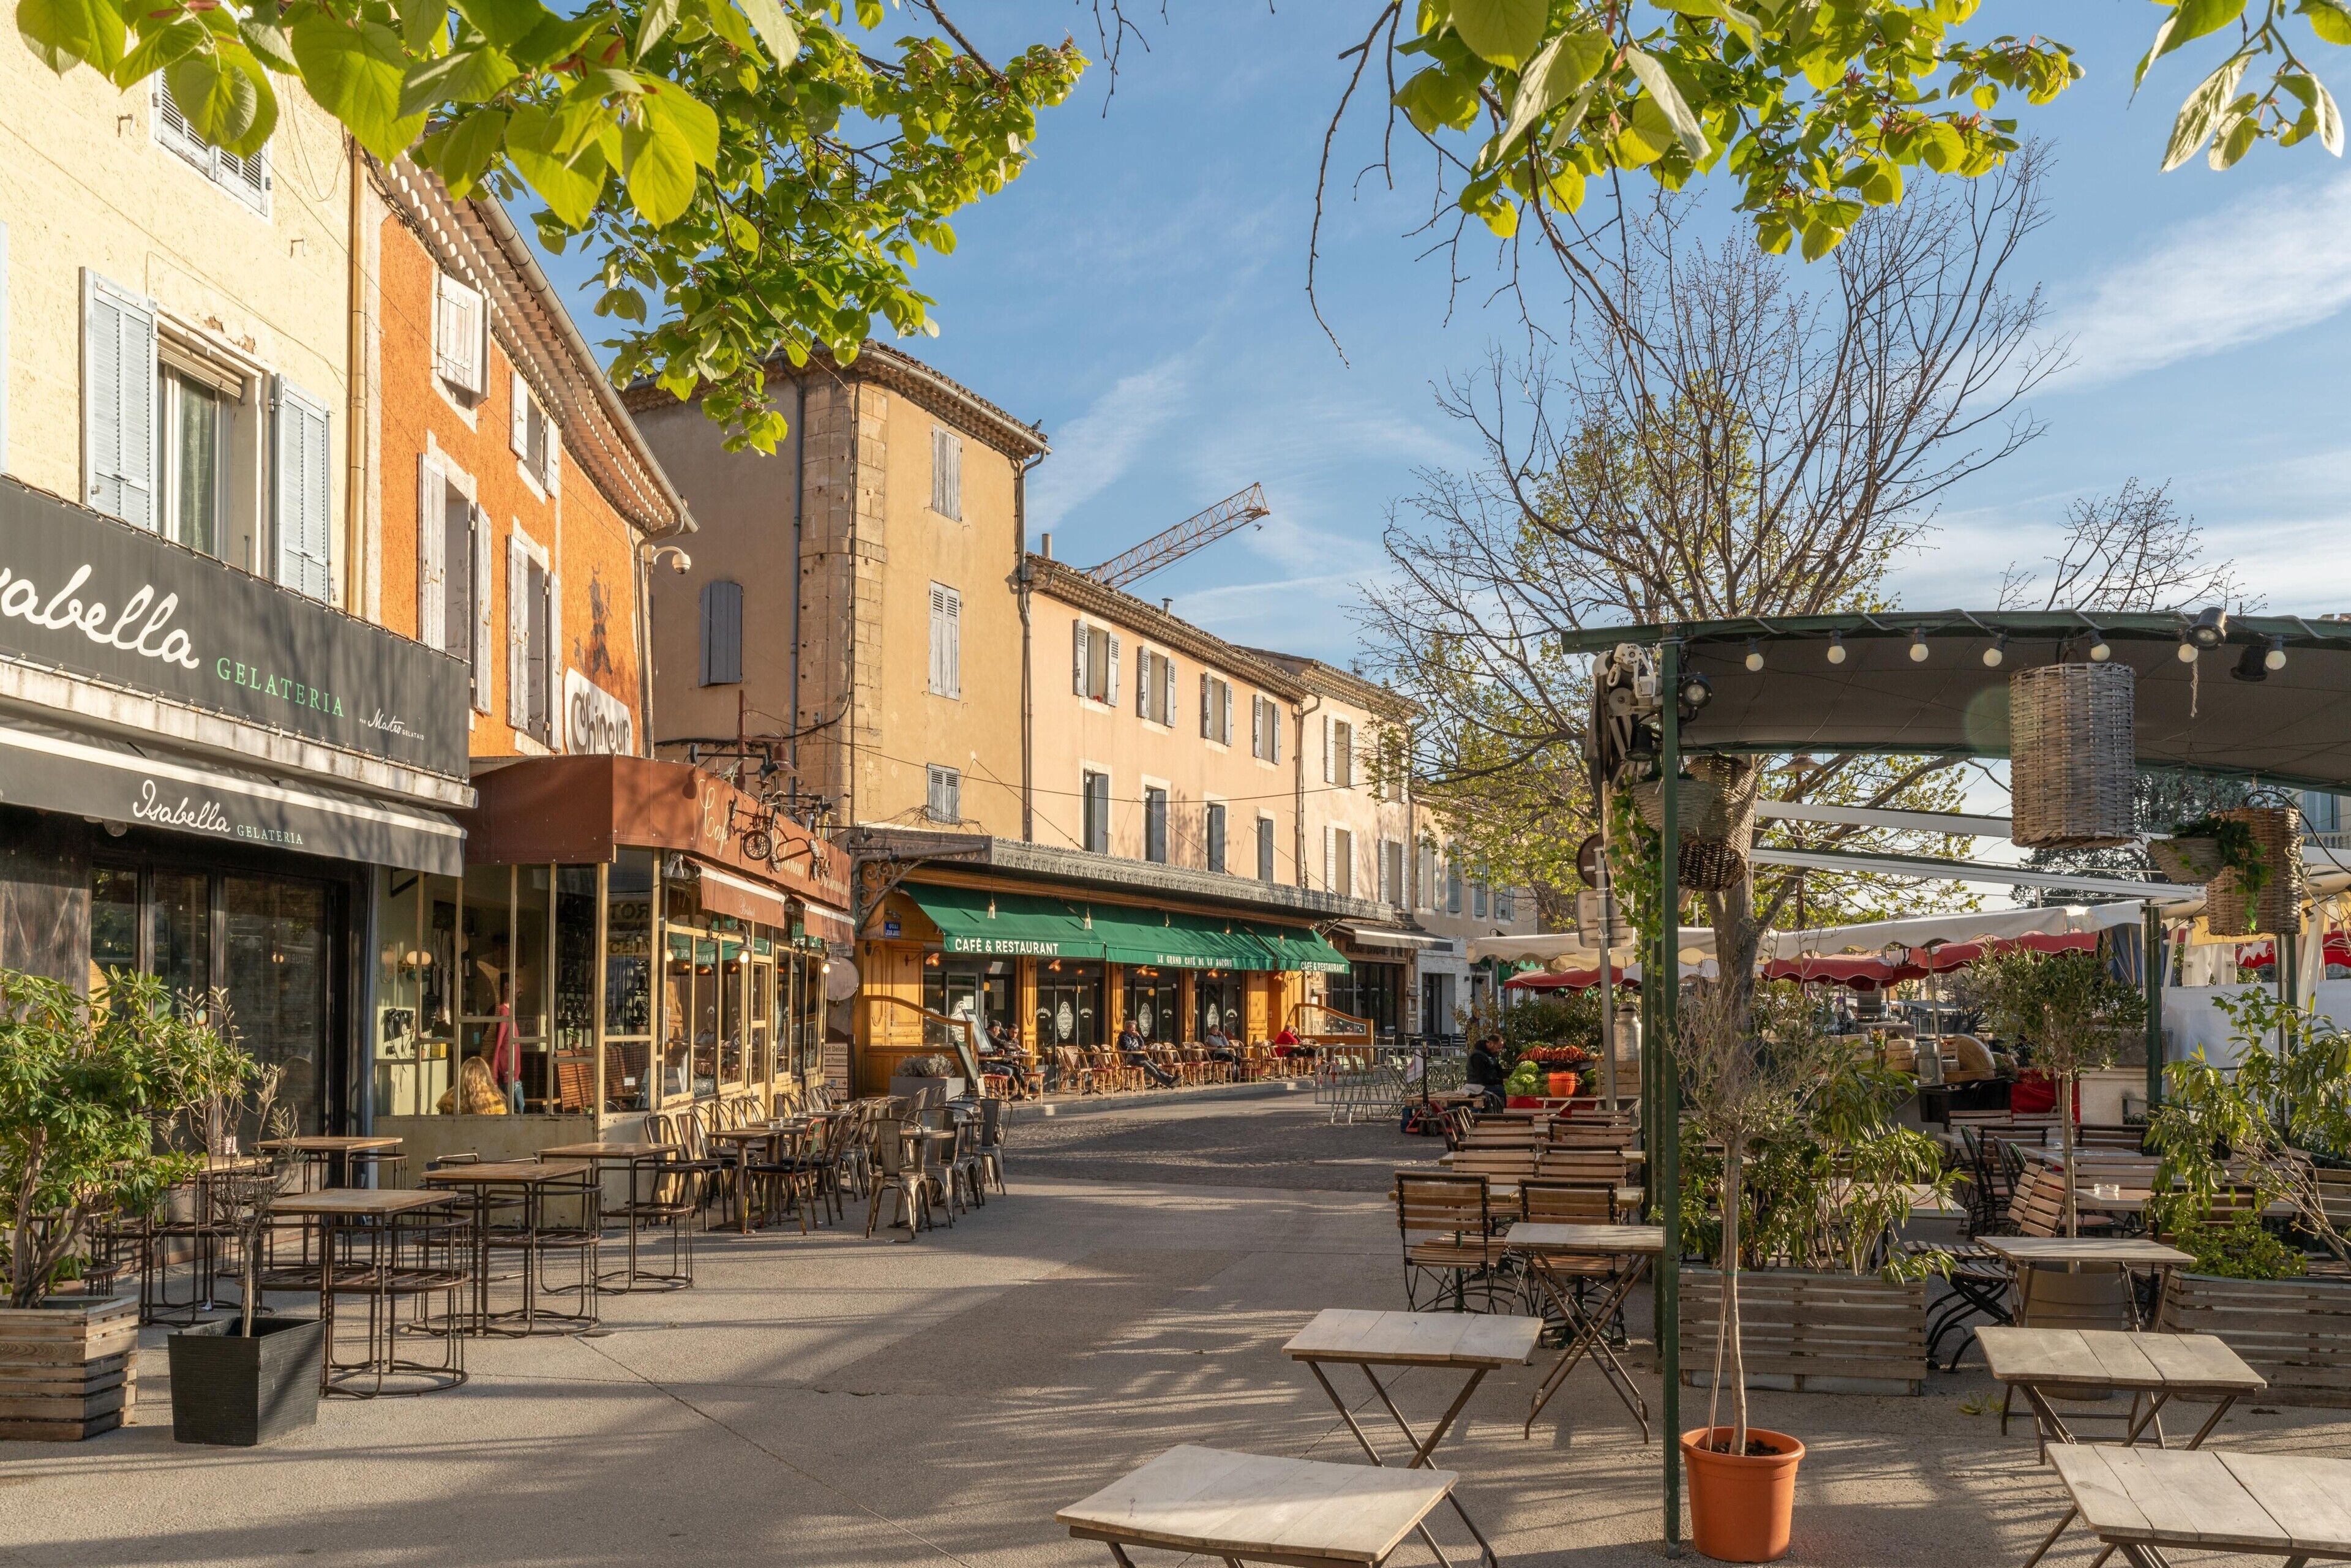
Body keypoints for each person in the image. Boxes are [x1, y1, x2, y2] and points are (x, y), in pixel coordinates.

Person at [487, 986, 523, 1114]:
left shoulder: (508, 1013)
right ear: (508, 989)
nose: (522, 990)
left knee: (518, 1112)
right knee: (517, 1115)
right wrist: (494, 1077)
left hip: (512, 1077)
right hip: (508, 1078)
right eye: (518, 986)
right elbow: (498, 1045)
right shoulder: (504, 1012)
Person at [1119, 1020, 1177, 1088]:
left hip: (1140, 1057)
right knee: (1151, 1069)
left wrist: (1138, 1036)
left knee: (1155, 1066)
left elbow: (1142, 1045)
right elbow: (1128, 1049)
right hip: (1132, 1059)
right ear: (1127, 1028)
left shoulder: (1134, 1037)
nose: (1134, 1030)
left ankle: (1169, 1078)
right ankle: (1169, 1084)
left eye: (1135, 1028)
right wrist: (1140, 1048)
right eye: (1132, 1028)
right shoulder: (1124, 1038)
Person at [983, 1019, 1034, 1096]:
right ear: (995, 1029)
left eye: (1016, 1033)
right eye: (998, 1030)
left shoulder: (1015, 1041)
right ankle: (1029, 1090)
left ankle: (1031, 1088)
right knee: (1015, 1069)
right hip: (993, 1063)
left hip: (1002, 1061)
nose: (999, 1032)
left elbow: (995, 1050)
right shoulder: (989, 1034)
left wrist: (1015, 1059)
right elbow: (1000, 1043)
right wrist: (1013, 1047)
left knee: (1026, 1068)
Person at [1466, 1031, 1507, 1112]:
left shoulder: (1490, 1055)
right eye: (1498, 1048)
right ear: (1491, 1044)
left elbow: (1498, 1069)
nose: (1499, 1051)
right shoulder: (1478, 1057)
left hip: (1487, 1084)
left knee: (1506, 1089)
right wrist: (1501, 1081)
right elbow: (1483, 1079)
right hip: (1478, 1085)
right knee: (1504, 1092)